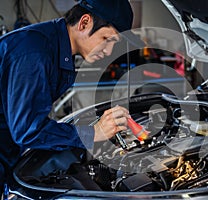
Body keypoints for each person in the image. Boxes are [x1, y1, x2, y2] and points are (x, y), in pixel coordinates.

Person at [0, 0, 136, 197]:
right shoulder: (34, 52)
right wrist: (91, 134)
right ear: (84, 23)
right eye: (107, 39)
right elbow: (27, 130)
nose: (108, 52)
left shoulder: (55, 47)